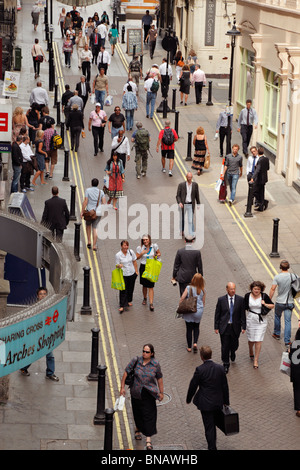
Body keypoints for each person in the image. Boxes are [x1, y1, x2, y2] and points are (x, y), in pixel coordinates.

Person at [120, 344, 163, 450]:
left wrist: (161, 392)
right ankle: (137, 429)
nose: (144, 353)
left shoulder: (155, 364)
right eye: (143, 351)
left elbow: (159, 378)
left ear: (152, 353)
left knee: (149, 416)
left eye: (147, 352)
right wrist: (122, 388)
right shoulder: (136, 360)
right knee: (138, 413)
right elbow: (126, 372)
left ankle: (148, 440)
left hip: (149, 394)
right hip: (136, 392)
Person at [186, 345, 230, 450]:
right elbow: (225, 386)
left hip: (205, 404)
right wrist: (226, 401)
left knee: (209, 426)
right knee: (213, 424)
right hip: (217, 402)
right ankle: (213, 444)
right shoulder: (220, 368)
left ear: (201, 357)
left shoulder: (200, 370)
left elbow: (193, 385)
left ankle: (212, 447)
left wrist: (188, 399)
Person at [20, 287, 59, 381]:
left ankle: (50, 373)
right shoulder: (34, 308)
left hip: (46, 334)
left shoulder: (50, 306)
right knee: (32, 354)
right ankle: (23, 367)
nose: (43, 295)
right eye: (41, 294)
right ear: (38, 296)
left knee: (50, 355)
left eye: (44, 294)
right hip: (36, 335)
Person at [214, 282, 246, 374]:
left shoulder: (240, 300)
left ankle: (233, 351)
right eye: (231, 289)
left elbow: (242, 314)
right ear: (227, 289)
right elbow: (217, 314)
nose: (233, 290)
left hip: (235, 327)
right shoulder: (221, 300)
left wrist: (243, 326)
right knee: (224, 346)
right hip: (224, 327)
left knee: (234, 344)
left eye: (234, 289)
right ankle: (226, 364)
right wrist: (216, 327)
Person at [244, 281, 274, 369]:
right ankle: (250, 350)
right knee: (251, 340)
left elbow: (272, 305)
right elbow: (244, 307)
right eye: (255, 289)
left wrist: (265, 304)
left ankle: (256, 360)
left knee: (258, 340)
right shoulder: (247, 296)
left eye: (258, 289)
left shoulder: (264, 296)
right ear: (252, 289)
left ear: (261, 289)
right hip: (251, 319)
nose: (257, 291)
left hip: (261, 321)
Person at [269, 260, 295, 347]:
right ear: (288, 267)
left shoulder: (277, 277)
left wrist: (269, 299)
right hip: (290, 302)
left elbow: (272, 289)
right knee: (288, 321)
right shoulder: (294, 276)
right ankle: (287, 341)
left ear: (280, 267)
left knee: (277, 317)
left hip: (280, 302)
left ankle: (277, 333)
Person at [179, 274, 206, 352]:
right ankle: (195, 343)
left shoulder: (189, 288)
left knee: (189, 329)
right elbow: (203, 302)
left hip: (189, 310)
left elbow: (182, 298)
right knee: (196, 327)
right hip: (199, 310)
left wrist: (180, 305)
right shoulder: (203, 290)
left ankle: (189, 347)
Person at [136, 234, 161, 312]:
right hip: (143, 267)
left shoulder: (154, 246)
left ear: (149, 240)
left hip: (151, 267)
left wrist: (156, 256)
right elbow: (136, 258)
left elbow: (159, 254)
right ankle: (145, 298)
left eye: (146, 239)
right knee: (144, 285)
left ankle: (151, 303)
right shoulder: (140, 248)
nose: (145, 241)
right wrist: (142, 253)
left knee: (151, 286)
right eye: (144, 240)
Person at [81, 178, 106, 251]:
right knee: (95, 228)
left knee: (88, 226)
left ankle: (89, 241)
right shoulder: (101, 192)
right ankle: (94, 245)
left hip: (89, 212)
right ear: (98, 184)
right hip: (97, 213)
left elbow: (85, 201)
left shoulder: (88, 190)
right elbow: (104, 203)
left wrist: (82, 211)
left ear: (91, 183)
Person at [115, 240, 138, 313]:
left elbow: (134, 261)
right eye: (124, 245)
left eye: (127, 245)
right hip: (123, 274)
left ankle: (128, 301)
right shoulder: (118, 255)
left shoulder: (131, 252)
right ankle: (122, 305)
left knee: (130, 288)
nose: (126, 247)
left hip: (131, 273)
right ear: (121, 246)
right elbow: (117, 265)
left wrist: (136, 271)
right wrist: (119, 265)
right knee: (123, 289)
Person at [176, 172, 200, 238]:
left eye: (191, 177)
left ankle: (191, 233)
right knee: (182, 219)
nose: (190, 178)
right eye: (188, 177)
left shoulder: (195, 185)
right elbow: (177, 196)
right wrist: (179, 202)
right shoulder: (181, 185)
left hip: (190, 205)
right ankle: (182, 230)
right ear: (186, 177)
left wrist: (198, 204)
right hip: (183, 205)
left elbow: (197, 195)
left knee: (190, 220)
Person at [251, 147, 270, 212]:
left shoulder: (260, 160)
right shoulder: (266, 159)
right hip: (264, 179)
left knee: (254, 191)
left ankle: (263, 201)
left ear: (258, 152)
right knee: (261, 192)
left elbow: (257, 170)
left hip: (259, 179)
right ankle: (261, 207)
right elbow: (268, 168)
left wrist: (253, 178)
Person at [289, 326, 300, 418]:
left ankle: (299, 409)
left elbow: (290, 357)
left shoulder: (294, 344)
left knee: (297, 389)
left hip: (296, 372)